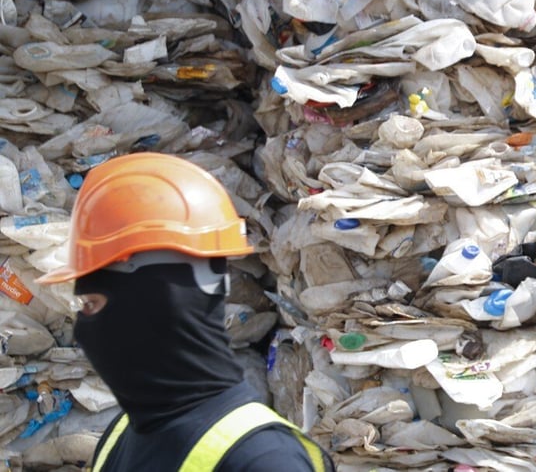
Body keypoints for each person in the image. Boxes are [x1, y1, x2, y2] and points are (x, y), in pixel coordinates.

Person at [37, 153, 334, 472]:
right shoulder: (121, 434)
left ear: (158, 303)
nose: (83, 331)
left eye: (93, 304)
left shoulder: (264, 459)